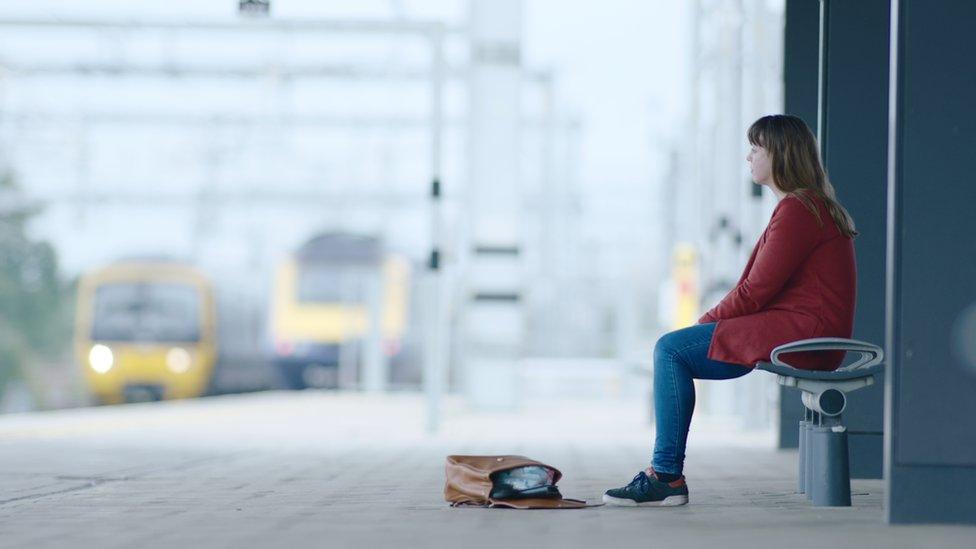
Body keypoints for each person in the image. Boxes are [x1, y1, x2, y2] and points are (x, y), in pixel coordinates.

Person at [603, 114, 858, 507]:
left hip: (805, 333)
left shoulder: (799, 210)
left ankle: (666, 476)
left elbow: (755, 291)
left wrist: (705, 324)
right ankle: (665, 475)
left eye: (756, 148)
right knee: (675, 349)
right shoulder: (809, 206)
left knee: (670, 350)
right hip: (809, 331)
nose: (749, 157)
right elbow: (759, 290)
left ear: (780, 154)